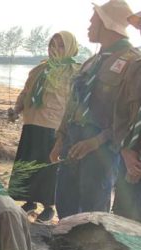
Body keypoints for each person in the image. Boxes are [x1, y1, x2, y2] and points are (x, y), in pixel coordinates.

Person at [49, 0, 140, 219]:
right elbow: (73, 104)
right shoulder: (91, 62)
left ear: (107, 24)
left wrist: (97, 141)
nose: (89, 25)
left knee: (93, 212)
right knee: (65, 202)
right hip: (73, 142)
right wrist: (60, 139)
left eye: (94, 20)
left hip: (103, 150)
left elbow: (129, 118)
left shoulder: (132, 63)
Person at [7, 31, 80, 223]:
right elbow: (26, 92)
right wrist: (16, 109)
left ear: (71, 48)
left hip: (54, 127)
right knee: (28, 163)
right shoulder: (39, 69)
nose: (54, 49)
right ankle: (30, 201)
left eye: (61, 45)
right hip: (31, 123)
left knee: (48, 167)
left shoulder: (75, 72)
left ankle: (49, 206)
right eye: (52, 44)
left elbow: (76, 103)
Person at [112, 11, 141, 221]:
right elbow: (120, 113)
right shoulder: (134, 68)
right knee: (123, 224)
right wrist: (125, 151)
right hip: (130, 160)